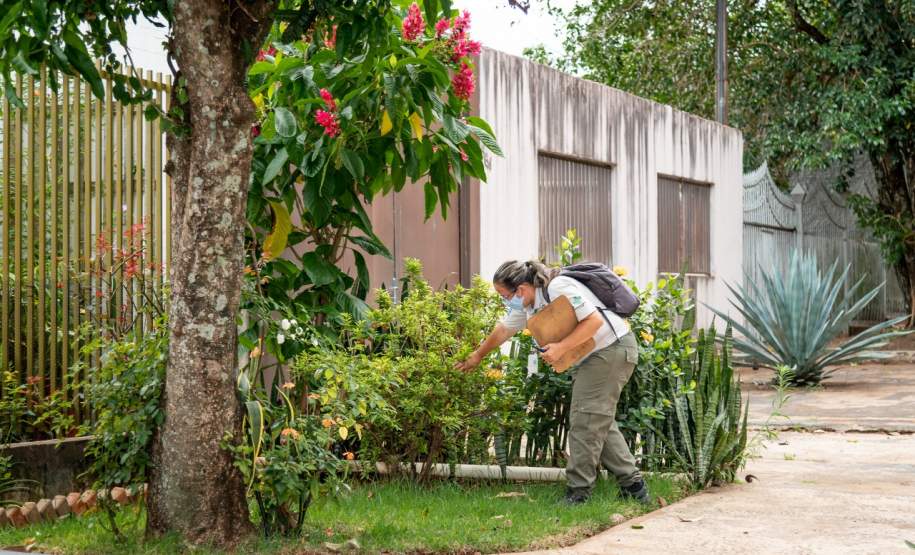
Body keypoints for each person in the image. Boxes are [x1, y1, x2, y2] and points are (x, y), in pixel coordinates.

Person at [456, 260, 649, 505]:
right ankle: (633, 487)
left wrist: (560, 348)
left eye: (504, 295)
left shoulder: (558, 287)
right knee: (596, 419)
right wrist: (477, 356)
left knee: (585, 421)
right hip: (596, 356)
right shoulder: (527, 306)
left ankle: (578, 493)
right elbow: (504, 330)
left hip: (612, 350)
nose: (505, 301)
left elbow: (594, 322)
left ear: (522, 289)